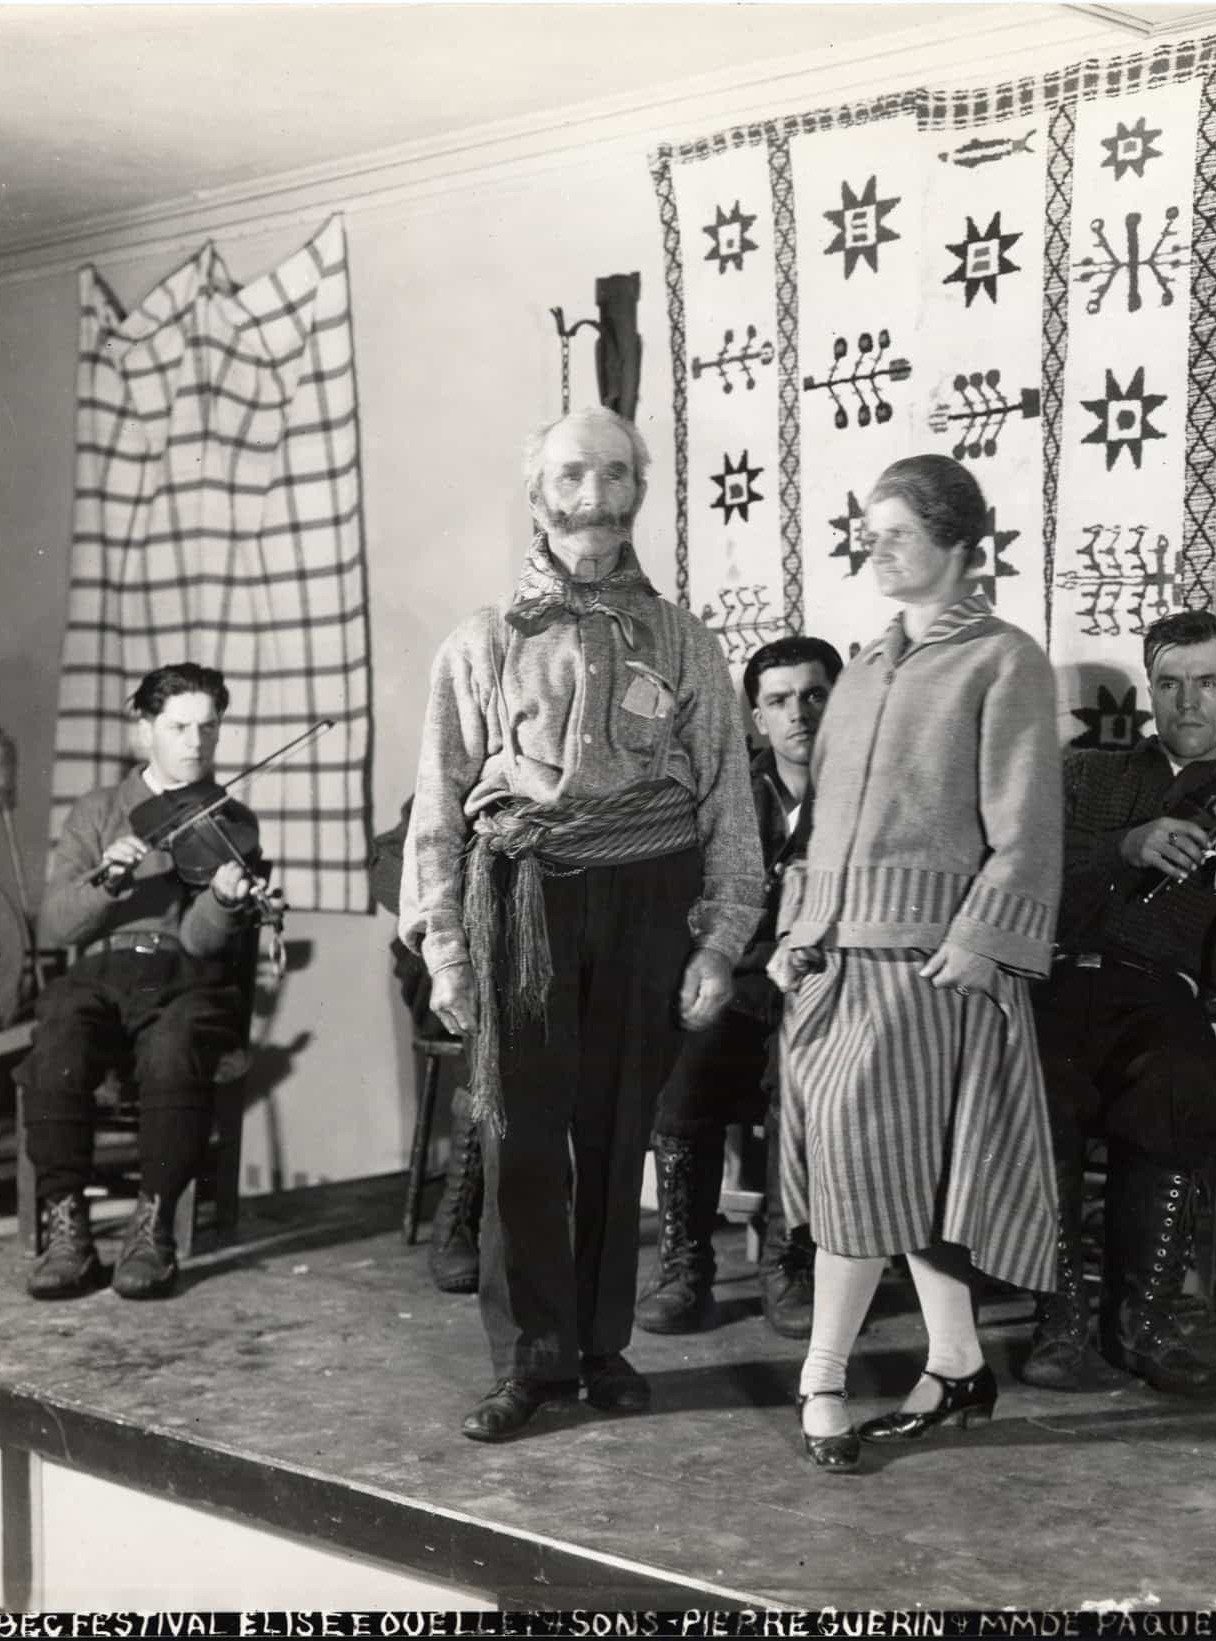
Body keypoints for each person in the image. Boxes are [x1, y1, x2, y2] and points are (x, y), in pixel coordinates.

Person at [401, 407, 766, 1442]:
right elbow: (438, 810)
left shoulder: (684, 642)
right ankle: (530, 1360)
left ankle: (603, 1348)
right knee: (520, 1137)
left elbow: (728, 803)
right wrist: (445, 950)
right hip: (524, 900)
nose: (593, 495)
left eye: (613, 474)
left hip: (649, 899)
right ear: (537, 494)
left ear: (638, 492)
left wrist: (718, 940)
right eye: (570, 474)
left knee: (616, 1133)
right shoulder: (480, 642)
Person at [769, 454, 1062, 1476]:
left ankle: (820, 1379)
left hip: (932, 969)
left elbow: (1027, 827)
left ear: (959, 545)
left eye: (897, 532)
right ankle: (958, 1363)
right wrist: (797, 933)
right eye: (870, 532)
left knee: (863, 1169)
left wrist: (977, 944)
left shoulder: (1004, 661)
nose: (876, 548)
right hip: (836, 965)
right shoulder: (861, 670)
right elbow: (820, 827)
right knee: (898, 1179)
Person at [1023, 610, 1216, 1398]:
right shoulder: (1084, 775)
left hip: (1160, 996)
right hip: (1054, 980)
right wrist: (1121, 847)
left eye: (1208, 682)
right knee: (1030, 1085)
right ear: (1152, 692)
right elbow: (1022, 871)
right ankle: (1060, 1320)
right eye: (1170, 683)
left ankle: (1144, 1325)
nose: (1188, 700)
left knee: (1179, 1079)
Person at [24, 663, 271, 1301]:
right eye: (179, 727)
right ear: (145, 731)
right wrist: (107, 880)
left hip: (184, 975)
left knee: (175, 1044)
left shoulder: (230, 822)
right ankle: (68, 1230)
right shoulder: (99, 810)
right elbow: (56, 924)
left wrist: (221, 900)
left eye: (208, 728)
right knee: (59, 1030)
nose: (196, 743)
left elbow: (198, 941)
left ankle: (152, 1227)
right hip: (101, 970)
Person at [635, 634, 843, 1340]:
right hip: (745, 982)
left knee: (802, 1078)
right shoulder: (725, 795)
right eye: (779, 701)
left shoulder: (867, 793)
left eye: (814, 695)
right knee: (687, 1065)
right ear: (757, 718)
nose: (799, 714)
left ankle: (790, 1260)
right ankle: (684, 1265)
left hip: (830, 989)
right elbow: (694, 904)